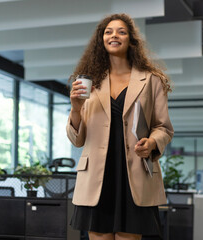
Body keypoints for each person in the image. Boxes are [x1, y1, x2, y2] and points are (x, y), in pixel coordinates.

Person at [66, 13, 174, 240]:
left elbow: (163, 127)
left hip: (134, 172)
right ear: (101, 39)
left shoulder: (151, 80)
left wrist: (153, 142)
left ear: (131, 40)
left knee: (129, 236)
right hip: (97, 173)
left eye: (121, 31)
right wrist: (76, 108)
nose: (114, 35)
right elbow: (77, 139)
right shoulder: (89, 82)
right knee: (99, 236)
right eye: (108, 31)